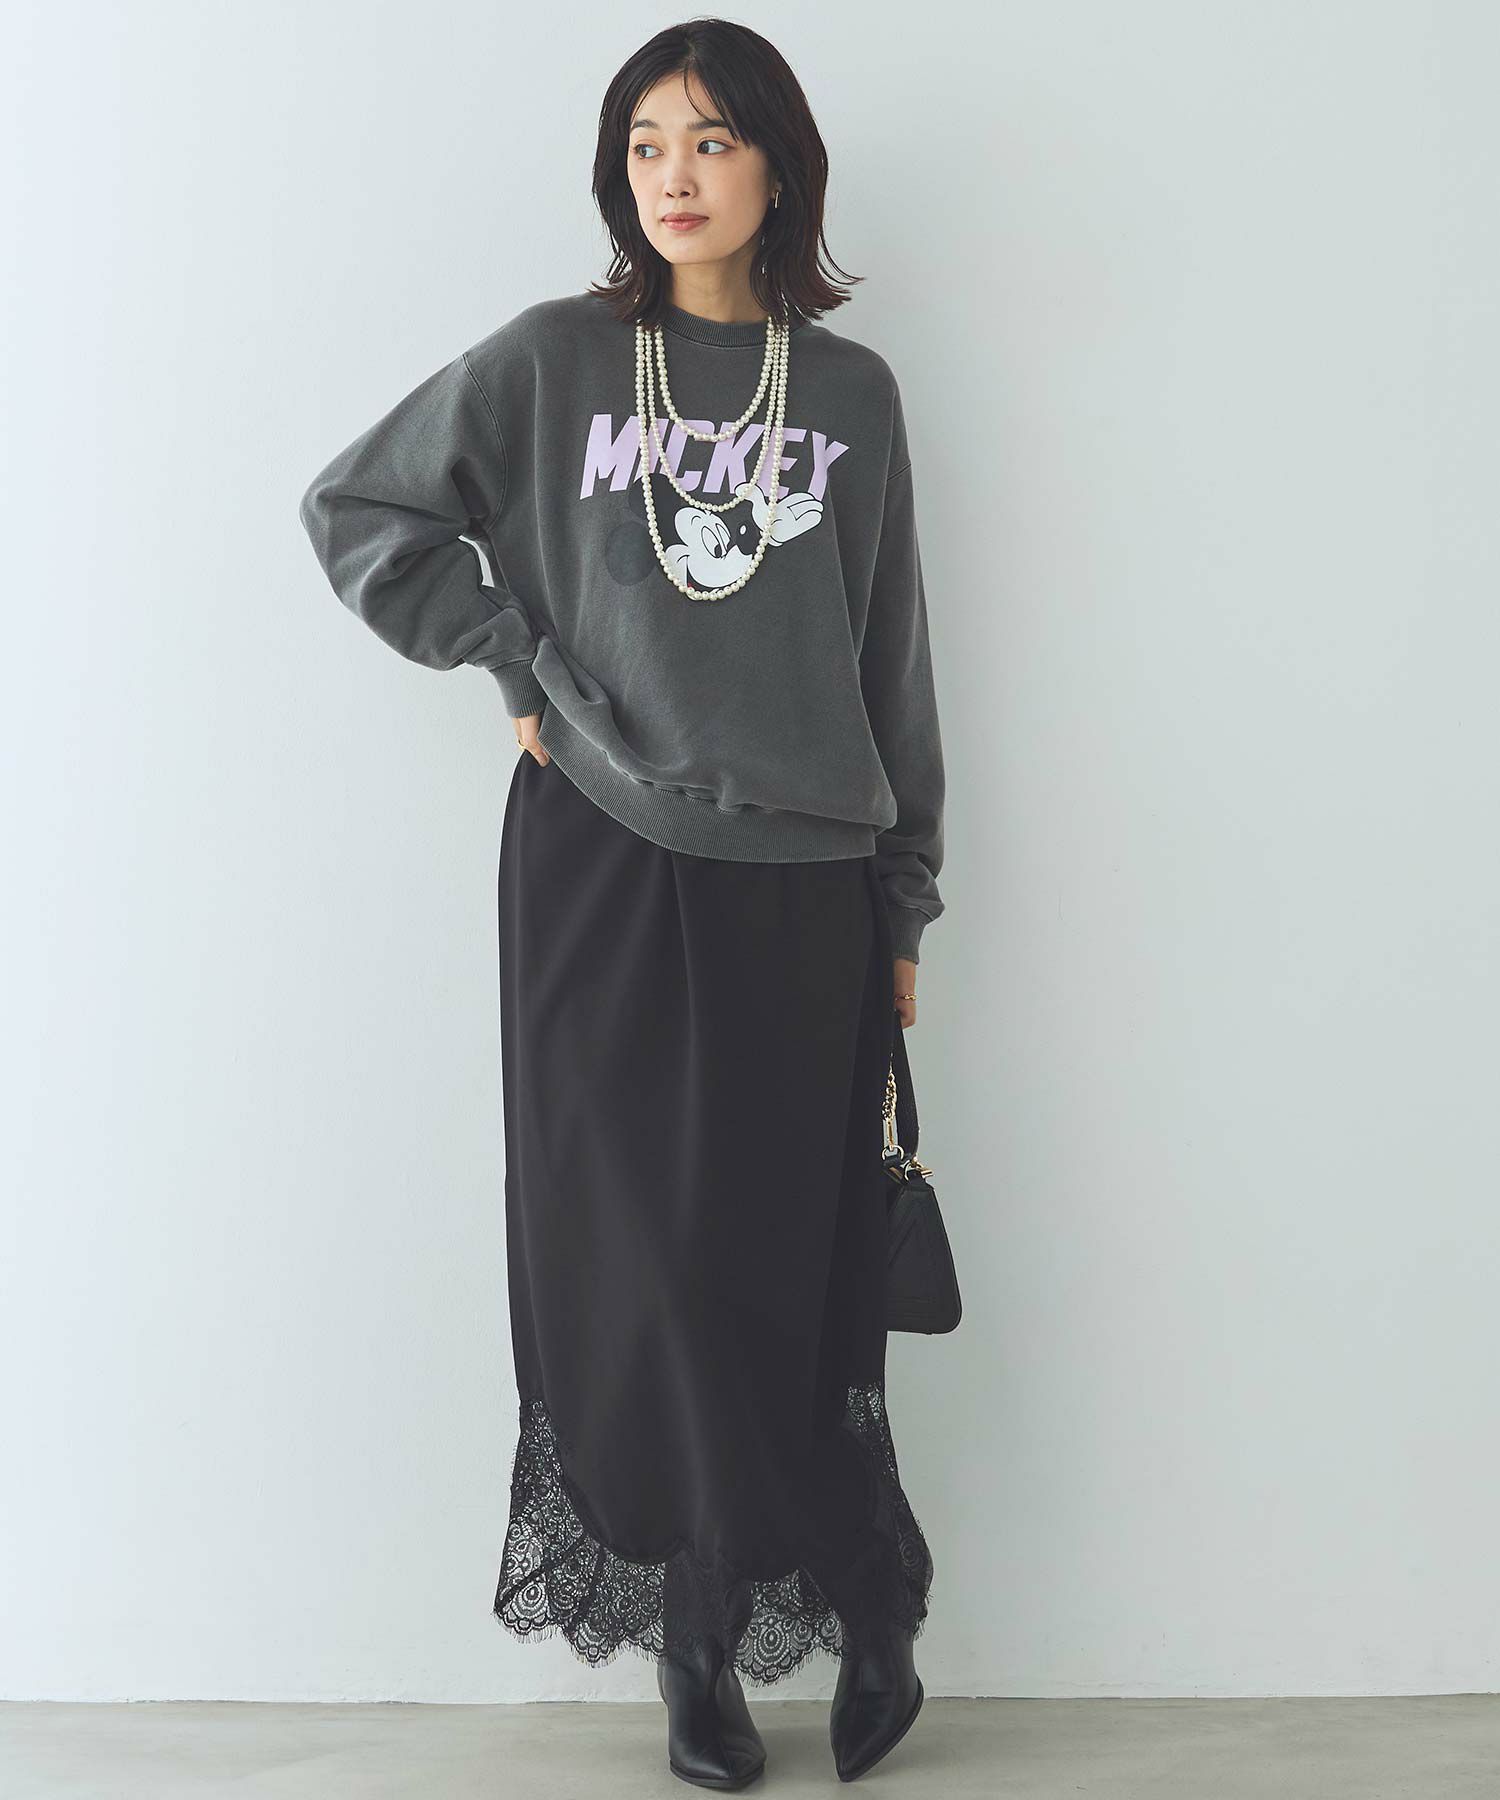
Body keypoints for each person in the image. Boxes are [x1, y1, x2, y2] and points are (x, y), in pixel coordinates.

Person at [297, 19, 947, 1789]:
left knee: (781, 1259)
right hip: (596, 856)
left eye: (714, 140)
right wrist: (509, 655)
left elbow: (891, 660)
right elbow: (359, 507)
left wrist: (904, 905)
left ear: (780, 172)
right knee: (634, 1256)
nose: (677, 173)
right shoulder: (552, 362)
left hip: (806, 878)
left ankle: (852, 1600)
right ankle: (700, 1628)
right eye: (647, 143)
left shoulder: (853, 395)